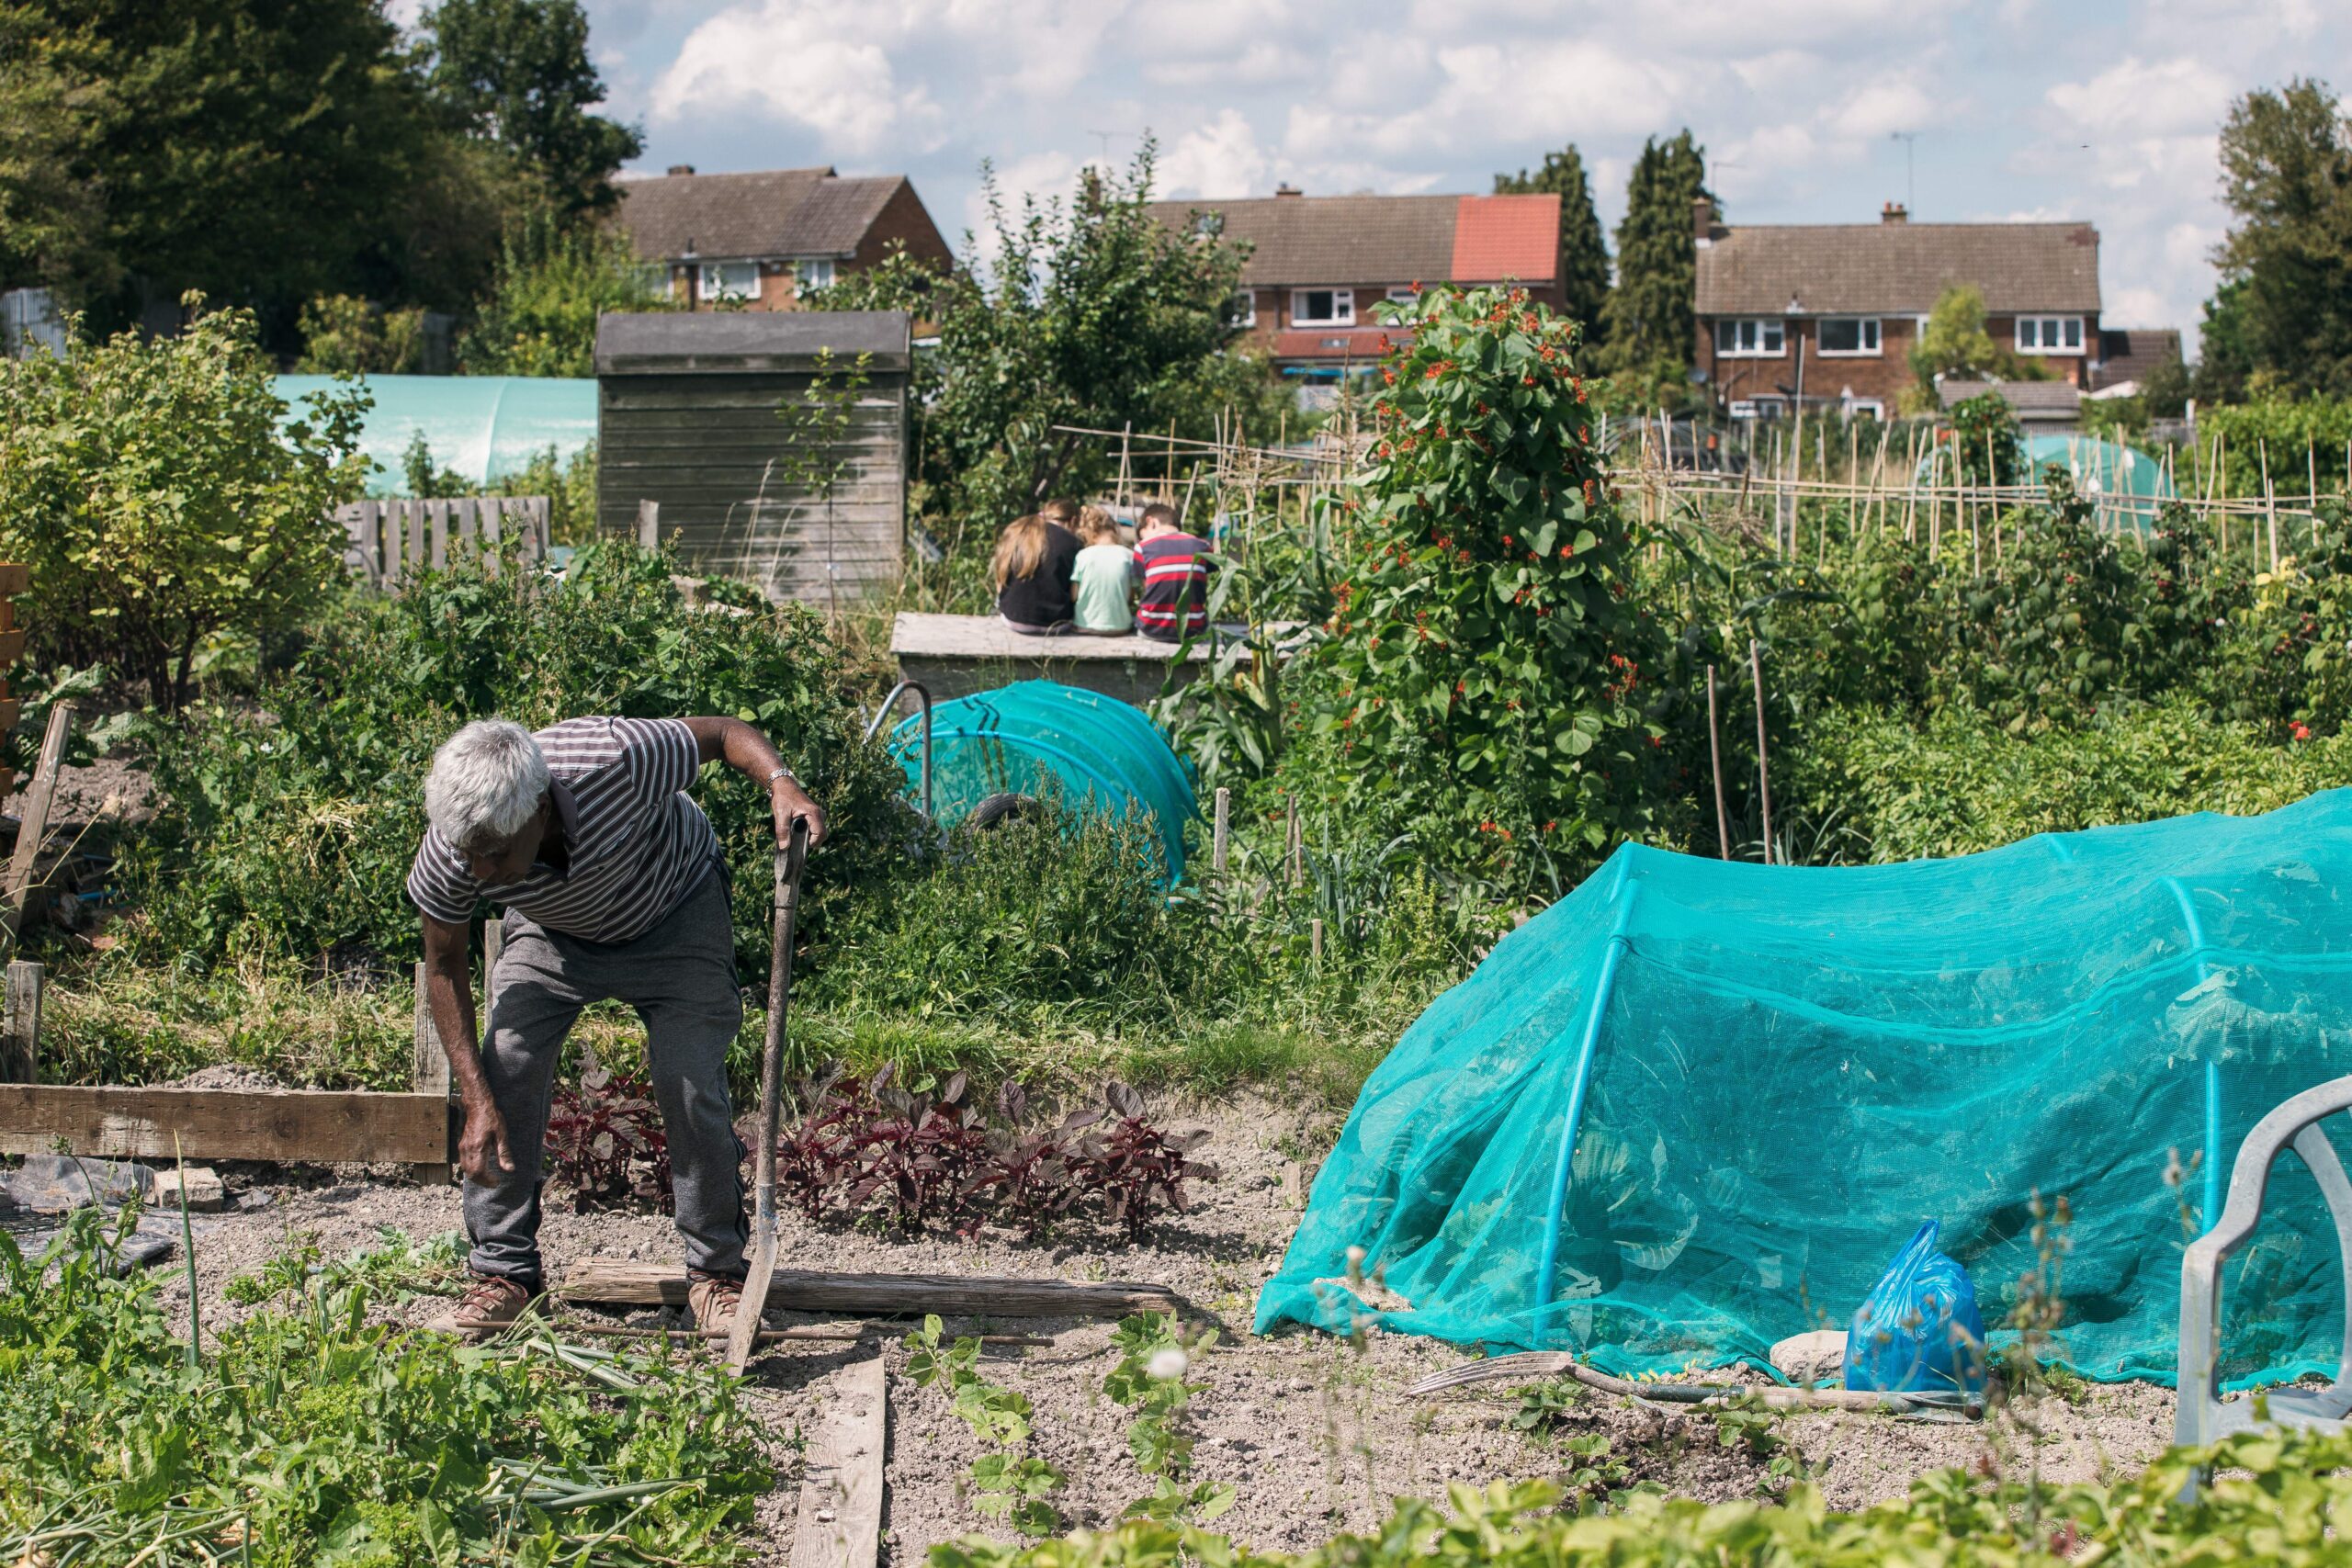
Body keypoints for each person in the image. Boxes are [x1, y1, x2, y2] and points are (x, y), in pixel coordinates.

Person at [409, 715, 828, 1337]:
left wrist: (781, 781)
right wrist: (473, 1096)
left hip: (673, 907)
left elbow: (721, 734)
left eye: (493, 855)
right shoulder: (459, 843)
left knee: (687, 1075)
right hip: (553, 934)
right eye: (467, 855)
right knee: (507, 1067)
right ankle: (505, 1275)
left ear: (541, 809)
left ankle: (717, 1275)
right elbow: (443, 967)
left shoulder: (614, 761)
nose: (477, 873)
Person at [1133, 502, 1211, 641]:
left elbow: (1148, 588)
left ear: (1151, 523)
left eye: (1142, 534)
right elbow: (1203, 585)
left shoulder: (1142, 547)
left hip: (1152, 628)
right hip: (1194, 629)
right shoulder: (1203, 546)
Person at [994, 509, 1080, 634]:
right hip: (1058, 624)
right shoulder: (1071, 541)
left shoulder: (1014, 534)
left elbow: (1000, 582)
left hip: (1014, 621)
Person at [1070, 505, 1136, 635]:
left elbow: (1074, 596)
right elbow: (1130, 598)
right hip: (1121, 627)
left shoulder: (1083, 556)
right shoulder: (1129, 555)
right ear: (1114, 529)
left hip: (1084, 625)